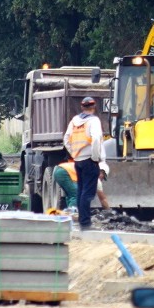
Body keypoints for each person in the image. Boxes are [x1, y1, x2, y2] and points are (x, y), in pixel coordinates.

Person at [64, 96, 104, 230]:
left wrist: (74, 153)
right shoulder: (94, 121)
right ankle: (85, 223)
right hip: (89, 160)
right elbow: (97, 139)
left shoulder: (74, 121)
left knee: (81, 191)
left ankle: (82, 221)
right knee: (88, 193)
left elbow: (66, 139)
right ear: (93, 107)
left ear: (82, 107)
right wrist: (95, 157)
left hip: (78, 161)